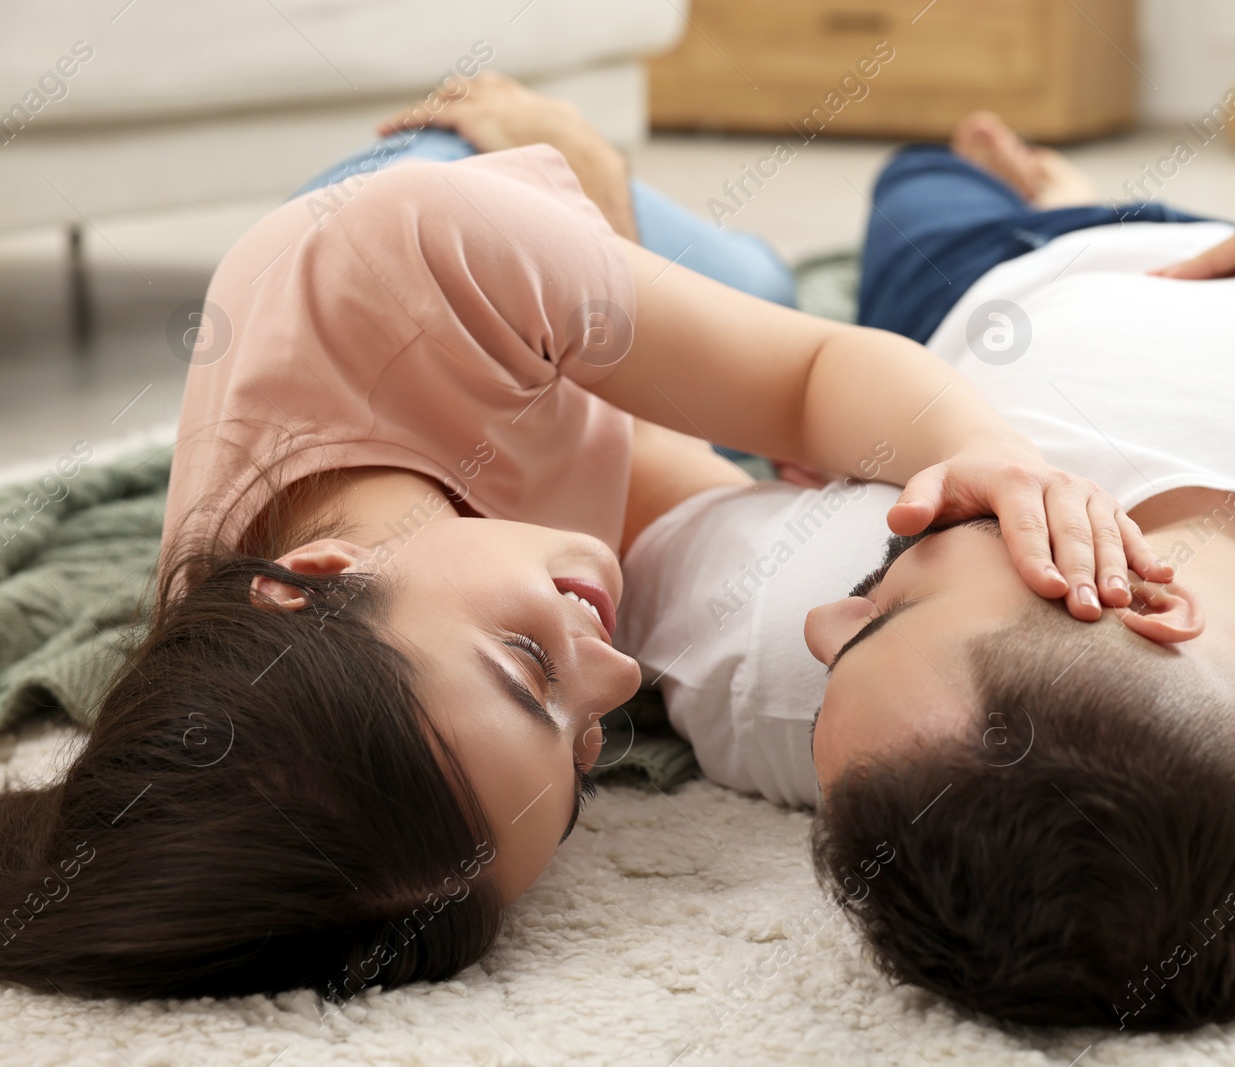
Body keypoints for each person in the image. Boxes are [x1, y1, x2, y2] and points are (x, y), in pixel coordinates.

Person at [0, 79, 1164, 1000]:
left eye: (527, 670)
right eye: (581, 761)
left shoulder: (419, 262)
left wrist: (1005, 466)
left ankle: (586, 164)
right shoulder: (356, 656)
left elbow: (812, 376)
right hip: (546, 401)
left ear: (311, 580)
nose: (611, 677)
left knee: (833, 278)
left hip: (466, 223)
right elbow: (708, 487)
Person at [616, 113, 1235, 1031]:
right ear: (1142, 600)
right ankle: (1058, 184)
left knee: (925, 170)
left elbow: (631, 457)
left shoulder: (792, 685)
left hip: (992, 289)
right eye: (881, 619)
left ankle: (1032, 189)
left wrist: (595, 196)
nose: (823, 624)